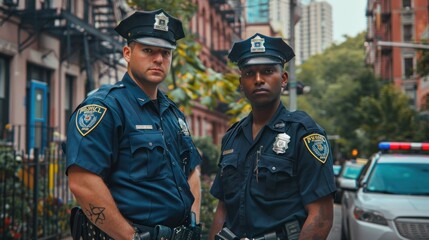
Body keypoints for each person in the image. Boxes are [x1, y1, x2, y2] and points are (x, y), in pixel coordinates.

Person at [66, 9, 202, 240]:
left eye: (165, 53)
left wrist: (193, 226)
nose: (158, 59)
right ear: (127, 53)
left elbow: (191, 173)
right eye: (148, 50)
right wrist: (131, 237)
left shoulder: (173, 113)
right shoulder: (105, 107)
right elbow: (82, 182)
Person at [209, 33, 336, 240]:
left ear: (283, 79)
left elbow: (321, 217)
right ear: (241, 82)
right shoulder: (232, 138)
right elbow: (223, 209)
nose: (258, 80)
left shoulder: (304, 134)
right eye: (250, 73)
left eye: (267, 71)